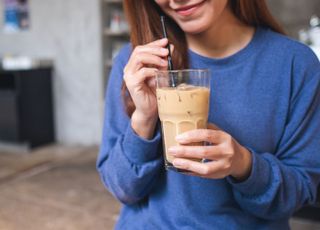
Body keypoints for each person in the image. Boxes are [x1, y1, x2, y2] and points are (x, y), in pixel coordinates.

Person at [97, 0, 320, 229]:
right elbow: (122, 188)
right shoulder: (137, 65)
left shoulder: (295, 65)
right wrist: (144, 118)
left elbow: (299, 194)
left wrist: (244, 164)